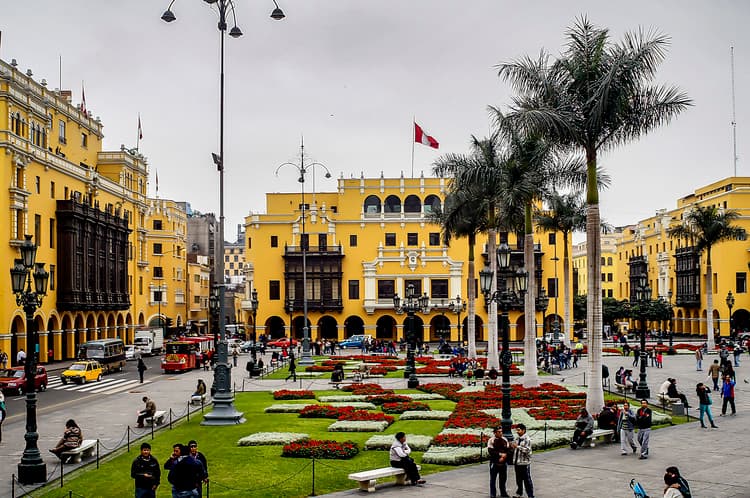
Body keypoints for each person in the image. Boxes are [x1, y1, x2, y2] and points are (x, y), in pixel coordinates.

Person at [511, 423, 534, 498]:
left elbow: (528, 451)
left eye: (519, 430)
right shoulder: (517, 438)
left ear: (523, 430)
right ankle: (519, 493)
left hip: (524, 463)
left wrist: (517, 447)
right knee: (518, 479)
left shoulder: (527, 439)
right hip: (517, 462)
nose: (517, 432)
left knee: (527, 480)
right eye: (516, 430)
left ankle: (530, 495)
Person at [487, 427, 509, 498]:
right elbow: (491, 451)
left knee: (503, 479)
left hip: (503, 463)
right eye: (499, 432)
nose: (500, 433)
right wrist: (500, 455)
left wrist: (504, 456)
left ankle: (503, 492)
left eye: (501, 432)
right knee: (493, 479)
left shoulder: (505, 439)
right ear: (495, 433)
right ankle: (493, 494)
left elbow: (508, 450)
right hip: (494, 462)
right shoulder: (491, 440)